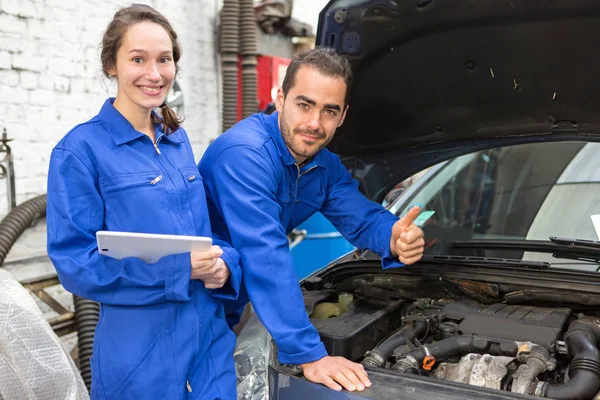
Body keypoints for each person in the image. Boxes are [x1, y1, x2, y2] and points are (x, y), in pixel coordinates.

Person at [198, 47, 425, 392]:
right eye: (304, 105)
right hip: (183, 302)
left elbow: (362, 218)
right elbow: (265, 256)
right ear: (280, 97)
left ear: (343, 115)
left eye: (329, 111)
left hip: (229, 303)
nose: (314, 124)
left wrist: (394, 236)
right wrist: (310, 356)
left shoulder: (323, 165)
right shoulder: (245, 155)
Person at [46, 5, 240, 399]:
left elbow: (208, 234)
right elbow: (75, 265)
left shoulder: (176, 140)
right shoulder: (80, 151)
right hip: (140, 361)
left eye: (164, 59)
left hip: (209, 350)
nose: (154, 74)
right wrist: (175, 272)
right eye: (138, 59)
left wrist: (225, 268)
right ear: (111, 65)